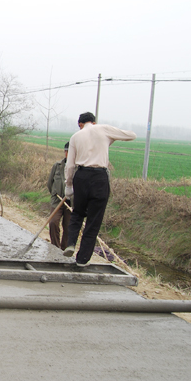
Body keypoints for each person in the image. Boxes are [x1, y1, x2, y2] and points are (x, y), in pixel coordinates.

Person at [64, 112, 136, 266]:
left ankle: (70, 243)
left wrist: (68, 186)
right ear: (94, 122)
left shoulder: (76, 136)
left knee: (77, 213)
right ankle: (82, 259)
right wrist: (111, 137)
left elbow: (70, 165)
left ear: (80, 124)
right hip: (99, 179)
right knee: (93, 220)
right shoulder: (104, 130)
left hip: (81, 177)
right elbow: (132, 135)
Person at [47, 142, 72, 250]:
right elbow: (49, 183)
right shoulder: (57, 166)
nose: (68, 154)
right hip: (57, 200)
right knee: (53, 222)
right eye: (66, 151)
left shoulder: (78, 168)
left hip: (71, 203)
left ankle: (64, 249)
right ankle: (55, 247)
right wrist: (55, 194)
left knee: (68, 227)